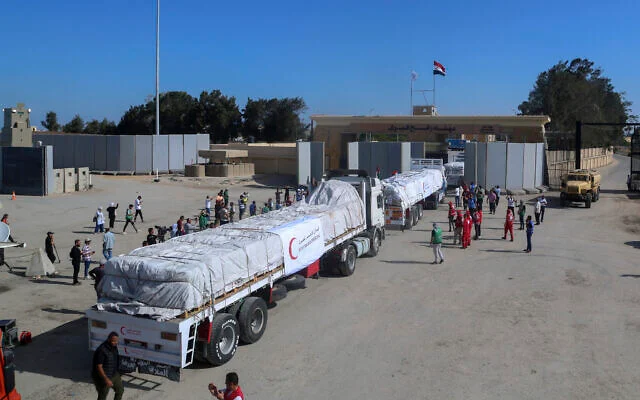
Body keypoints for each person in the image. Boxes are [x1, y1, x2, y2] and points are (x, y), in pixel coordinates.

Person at [92, 332, 124, 400]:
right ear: (108, 340)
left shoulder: (114, 347)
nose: (116, 342)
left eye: (117, 341)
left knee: (120, 390)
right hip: (104, 378)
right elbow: (99, 367)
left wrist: (118, 373)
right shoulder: (101, 350)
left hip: (114, 374)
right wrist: (106, 379)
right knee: (102, 396)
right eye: (113, 341)